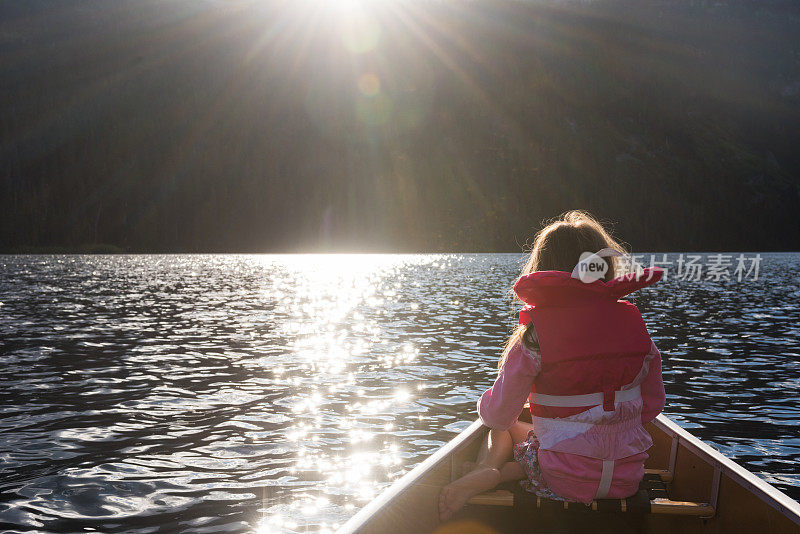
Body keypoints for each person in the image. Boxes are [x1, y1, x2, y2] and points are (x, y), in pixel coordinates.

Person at [438, 210, 666, 521]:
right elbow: (651, 408)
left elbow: (499, 414)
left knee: (504, 427)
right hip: (626, 479)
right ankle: (499, 469)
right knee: (560, 445)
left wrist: (485, 400)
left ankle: (488, 471)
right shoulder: (633, 327)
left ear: (542, 270)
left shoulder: (535, 336)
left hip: (562, 480)